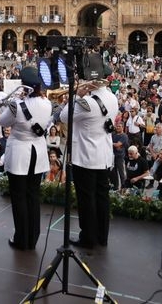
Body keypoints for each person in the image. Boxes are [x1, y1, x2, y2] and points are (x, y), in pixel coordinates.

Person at [0, 66, 51, 250]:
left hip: (20, 154)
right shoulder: (47, 103)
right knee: (33, 196)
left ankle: (21, 238)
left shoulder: (17, 105)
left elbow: (2, 122)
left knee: (19, 197)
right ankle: (33, 237)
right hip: (38, 153)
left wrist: (15, 101)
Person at [61, 79, 117, 248]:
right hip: (104, 155)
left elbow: (64, 117)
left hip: (86, 156)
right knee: (102, 197)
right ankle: (102, 236)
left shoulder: (86, 102)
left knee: (87, 199)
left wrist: (76, 96)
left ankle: (88, 238)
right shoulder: (112, 97)